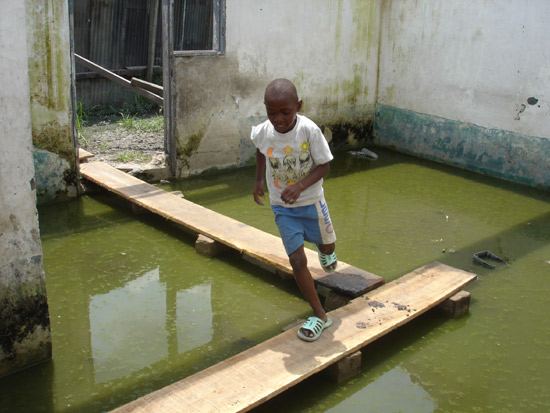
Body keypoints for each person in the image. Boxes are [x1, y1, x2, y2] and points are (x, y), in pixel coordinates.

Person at [251, 78, 337, 342]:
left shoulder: (309, 130)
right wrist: (258, 180)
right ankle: (320, 315)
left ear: (298, 106)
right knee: (297, 261)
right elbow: (260, 151)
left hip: (311, 202)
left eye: (285, 112)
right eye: (272, 113)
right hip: (283, 207)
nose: (278, 119)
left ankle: (324, 250)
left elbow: (324, 166)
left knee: (328, 249)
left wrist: (300, 186)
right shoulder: (263, 132)